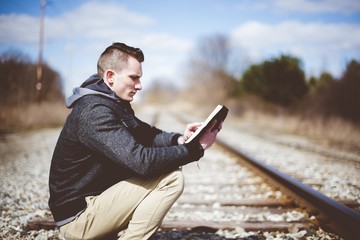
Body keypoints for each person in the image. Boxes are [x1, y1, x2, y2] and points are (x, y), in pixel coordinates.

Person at [48, 42, 222, 240]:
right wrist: (195, 149)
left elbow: (146, 135)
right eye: (134, 78)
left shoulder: (113, 103)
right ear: (110, 76)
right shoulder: (94, 112)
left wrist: (181, 139)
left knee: (165, 170)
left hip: (93, 204)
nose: (139, 85)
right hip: (78, 219)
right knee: (171, 179)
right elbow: (142, 162)